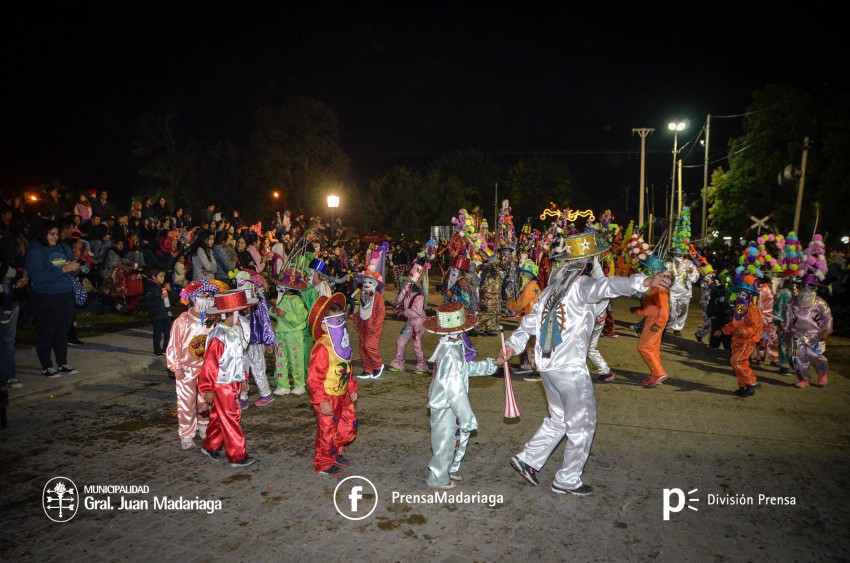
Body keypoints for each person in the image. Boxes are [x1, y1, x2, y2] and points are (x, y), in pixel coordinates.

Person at [496, 231, 671, 496]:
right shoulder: (582, 286)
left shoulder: (552, 290)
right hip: (569, 368)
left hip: (548, 366)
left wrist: (511, 345)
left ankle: (528, 459)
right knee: (583, 424)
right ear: (588, 264)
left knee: (559, 418)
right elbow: (608, 286)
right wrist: (644, 281)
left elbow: (530, 322)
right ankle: (567, 479)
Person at [424, 302, 496, 489]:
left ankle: (449, 469)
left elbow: (463, 370)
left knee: (454, 438)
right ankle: (438, 477)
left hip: (449, 404)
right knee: (444, 441)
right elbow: (455, 390)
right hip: (446, 404)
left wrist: (490, 365)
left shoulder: (451, 346)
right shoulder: (450, 352)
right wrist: (466, 417)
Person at [198, 289, 258, 468]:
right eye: (240, 312)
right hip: (222, 385)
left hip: (232, 382)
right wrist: (208, 388)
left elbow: (239, 357)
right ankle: (237, 455)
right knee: (232, 417)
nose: (242, 317)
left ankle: (210, 445)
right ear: (233, 314)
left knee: (219, 416)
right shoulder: (219, 336)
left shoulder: (234, 331)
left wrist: (243, 378)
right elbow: (210, 364)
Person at [307, 293, 358, 476]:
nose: (340, 323)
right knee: (327, 429)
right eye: (335, 320)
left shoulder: (341, 342)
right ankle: (324, 462)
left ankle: (335, 452)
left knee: (346, 424)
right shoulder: (322, 347)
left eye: (341, 319)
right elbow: (314, 378)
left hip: (342, 394)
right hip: (327, 396)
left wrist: (351, 386)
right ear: (323, 325)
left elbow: (346, 365)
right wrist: (322, 400)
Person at [166, 281, 220, 450]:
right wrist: (176, 367)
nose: (207, 298)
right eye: (203, 295)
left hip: (207, 369)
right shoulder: (183, 321)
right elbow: (174, 344)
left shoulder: (213, 320)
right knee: (186, 402)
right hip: (187, 368)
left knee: (205, 400)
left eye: (209, 296)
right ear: (192, 298)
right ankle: (187, 434)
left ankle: (204, 425)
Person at [24, 221, 81, 377]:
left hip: (65, 294)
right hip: (46, 296)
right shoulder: (36, 250)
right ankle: (47, 366)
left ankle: (62, 363)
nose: (56, 237)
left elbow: (70, 269)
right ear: (43, 234)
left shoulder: (62, 246)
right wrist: (62, 270)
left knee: (62, 331)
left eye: (57, 234)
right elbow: (37, 276)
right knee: (47, 331)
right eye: (52, 234)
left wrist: (75, 268)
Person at [234, 274, 276, 408]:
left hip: (255, 340)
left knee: (258, 368)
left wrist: (269, 341)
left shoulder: (258, 301)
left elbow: (265, 322)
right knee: (241, 368)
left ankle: (266, 393)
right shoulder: (236, 301)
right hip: (240, 341)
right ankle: (242, 396)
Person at [718, 273, 764, 397]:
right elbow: (735, 323)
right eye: (739, 292)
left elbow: (756, 327)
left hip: (747, 341)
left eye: (744, 293)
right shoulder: (739, 308)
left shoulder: (751, 309)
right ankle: (744, 386)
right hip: (737, 340)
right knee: (740, 363)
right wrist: (723, 330)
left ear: (749, 295)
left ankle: (752, 382)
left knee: (736, 361)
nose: (741, 295)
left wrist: (745, 332)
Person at [786, 275, 833, 388]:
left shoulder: (820, 303)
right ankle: (804, 379)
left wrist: (827, 330)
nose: (806, 287)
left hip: (817, 335)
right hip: (797, 335)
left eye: (810, 285)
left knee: (817, 356)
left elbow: (827, 317)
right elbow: (788, 316)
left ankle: (822, 374)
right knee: (797, 357)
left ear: (815, 287)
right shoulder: (793, 302)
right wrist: (786, 329)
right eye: (804, 285)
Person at [631, 255, 671, 387]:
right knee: (652, 348)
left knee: (644, 347)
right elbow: (654, 307)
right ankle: (655, 375)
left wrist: (658, 324)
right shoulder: (655, 285)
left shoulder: (659, 287)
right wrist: (640, 311)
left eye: (647, 268)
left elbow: (664, 309)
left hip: (656, 321)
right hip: (653, 319)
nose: (644, 270)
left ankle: (659, 374)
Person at [270, 269, 309, 396]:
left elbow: (301, 317)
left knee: (296, 359)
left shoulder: (296, 300)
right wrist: (274, 311)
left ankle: (299, 384)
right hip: (281, 333)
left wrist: (285, 315)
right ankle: (283, 385)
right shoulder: (280, 298)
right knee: (280, 358)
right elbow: (275, 314)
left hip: (293, 334)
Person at [389, 263, 428, 374]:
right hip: (410, 321)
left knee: (417, 344)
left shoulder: (419, 297)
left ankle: (422, 365)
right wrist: (398, 306)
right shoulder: (407, 296)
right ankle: (399, 362)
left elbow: (417, 312)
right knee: (400, 341)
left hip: (419, 323)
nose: (404, 284)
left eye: (407, 282)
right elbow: (399, 304)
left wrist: (403, 312)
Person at [507, 260, 542, 380]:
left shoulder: (530, 287)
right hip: (533, 319)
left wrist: (511, 304)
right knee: (528, 343)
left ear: (531, 275)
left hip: (531, 320)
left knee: (531, 345)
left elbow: (521, 303)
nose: (522, 275)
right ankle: (527, 365)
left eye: (525, 273)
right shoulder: (535, 286)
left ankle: (536, 370)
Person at [355, 270, 386, 379]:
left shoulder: (378, 297)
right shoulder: (363, 294)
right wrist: (356, 315)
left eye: (370, 282)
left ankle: (378, 365)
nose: (367, 284)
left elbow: (381, 313)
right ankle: (367, 369)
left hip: (373, 326)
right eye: (365, 282)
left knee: (369, 345)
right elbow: (363, 309)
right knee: (362, 347)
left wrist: (375, 326)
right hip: (363, 324)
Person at [665, 247, 699, 336]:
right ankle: (667, 325)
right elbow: (664, 275)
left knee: (683, 310)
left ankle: (678, 327)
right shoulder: (669, 263)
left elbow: (695, 277)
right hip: (671, 291)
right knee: (671, 310)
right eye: (677, 254)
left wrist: (691, 272)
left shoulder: (689, 263)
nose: (679, 256)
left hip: (685, 292)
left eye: (681, 254)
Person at [144, 266, 173, 357]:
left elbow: (169, 299)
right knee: (158, 333)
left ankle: (166, 349)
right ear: (154, 277)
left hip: (165, 313)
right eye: (161, 276)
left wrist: (169, 290)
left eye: (164, 276)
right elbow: (148, 302)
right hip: (157, 314)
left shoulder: (161, 286)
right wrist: (160, 298)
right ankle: (157, 350)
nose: (163, 278)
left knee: (169, 331)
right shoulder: (150, 287)